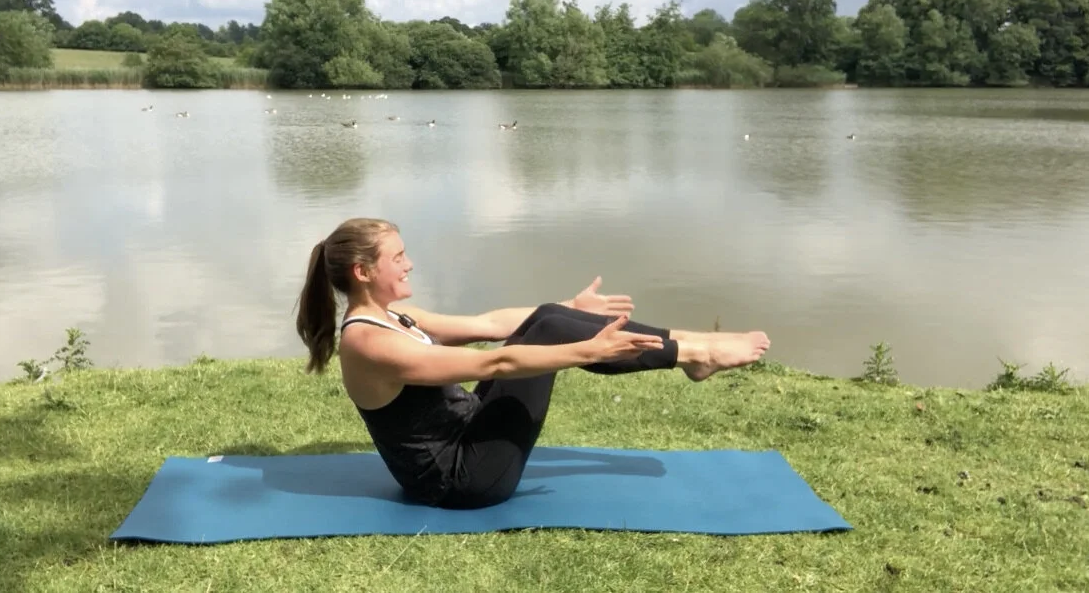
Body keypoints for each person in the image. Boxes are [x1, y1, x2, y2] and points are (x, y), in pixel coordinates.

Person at [295, 217, 771, 510]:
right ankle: (693, 354)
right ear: (363, 272)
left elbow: (488, 323)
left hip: (469, 434)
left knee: (548, 317)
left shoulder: (396, 316)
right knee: (549, 329)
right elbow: (496, 364)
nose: (410, 264)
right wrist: (584, 349)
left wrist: (568, 309)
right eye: (398, 257)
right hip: (460, 482)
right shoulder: (366, 342)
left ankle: (691, 346)